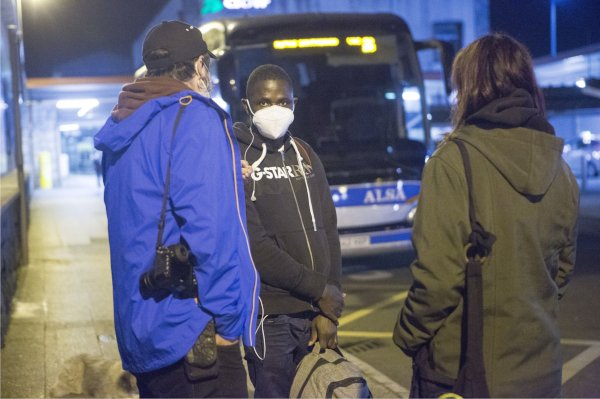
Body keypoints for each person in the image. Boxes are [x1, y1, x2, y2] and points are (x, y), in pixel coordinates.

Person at [392, 33, 580, 398]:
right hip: (540, 370)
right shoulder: (561, 168)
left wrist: (407, 335)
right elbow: (562, 270)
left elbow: (437, 279)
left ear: (469, 88)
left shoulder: (452, 162)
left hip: (464, 373)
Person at [94, 20, 260, 398]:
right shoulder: (196, 116)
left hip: (142, 328)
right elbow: (211, 233)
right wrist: (229, 326)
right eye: (207, 66)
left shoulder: (124, 123)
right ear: (199, 65)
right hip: (193, 334)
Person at [234, 64, 344, 398]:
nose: (275, 109)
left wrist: (329, 304)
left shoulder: (306, 155)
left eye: (283, 101)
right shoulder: (236, 159)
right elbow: (255, 246)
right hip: (270, 317)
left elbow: (328, 228)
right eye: (265, 101)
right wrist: (319, 290)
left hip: (314, 311)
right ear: (247, 105)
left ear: (295, 104)